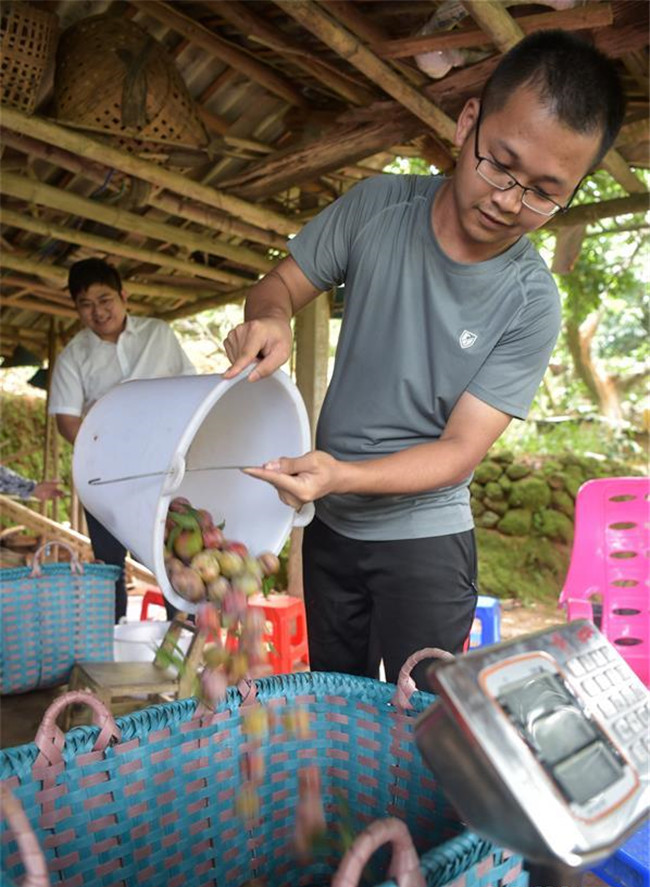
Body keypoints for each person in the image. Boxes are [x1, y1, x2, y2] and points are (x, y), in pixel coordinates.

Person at [222, 30, 626, 688]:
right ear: (468, 124)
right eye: (500, 165)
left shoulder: (531, 302)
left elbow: (459, 451)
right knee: (337, 706)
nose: (508, 200)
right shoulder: (376, 208)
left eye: (543, 192)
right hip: (330, 527)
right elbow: (278, 287)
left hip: (426, 541)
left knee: (424, 717)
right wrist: (269, 320)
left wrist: (341, 474)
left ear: (571, 191)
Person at [49, 257, 195, 622]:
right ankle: (112, 639)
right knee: (109, 565)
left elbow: (191, 388)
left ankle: (184, 643)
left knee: (177, 556)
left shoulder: (158, 334)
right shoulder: (73, 356)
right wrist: (108, 454)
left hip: (165, 469)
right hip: (105, 477)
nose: (98, 312)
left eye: (105, 300)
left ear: (123, 296)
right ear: (76, 308)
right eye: (86, 304)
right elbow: (67, 421)